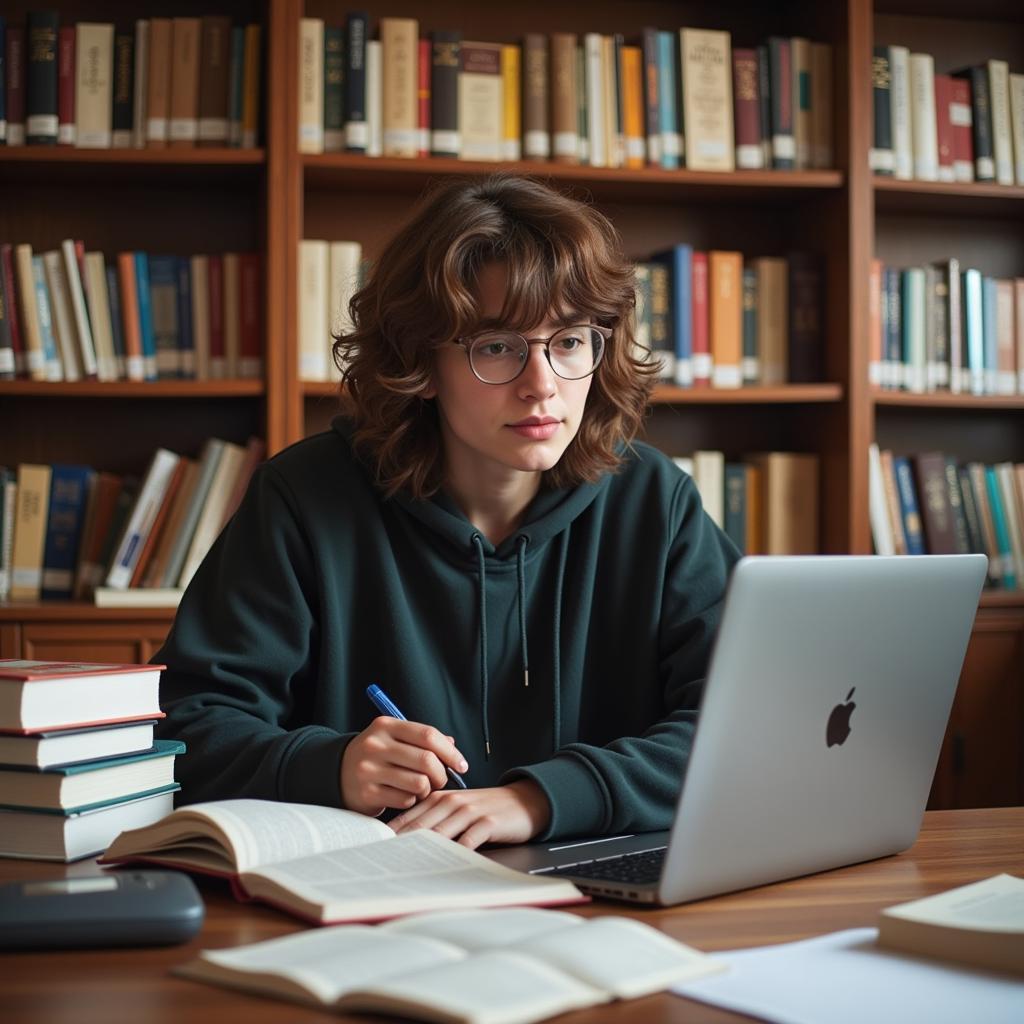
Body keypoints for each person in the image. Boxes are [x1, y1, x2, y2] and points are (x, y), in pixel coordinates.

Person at [155, 174, 740, 850]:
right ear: (420, 363)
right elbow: (187, 726)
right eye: (498, 347)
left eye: (570, 341)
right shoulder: (302, 499)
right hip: (376, 899)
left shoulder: (655, 503)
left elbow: (742, 723)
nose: (542, 384)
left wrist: (541, 798)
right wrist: (330, 765)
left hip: (598, 878)